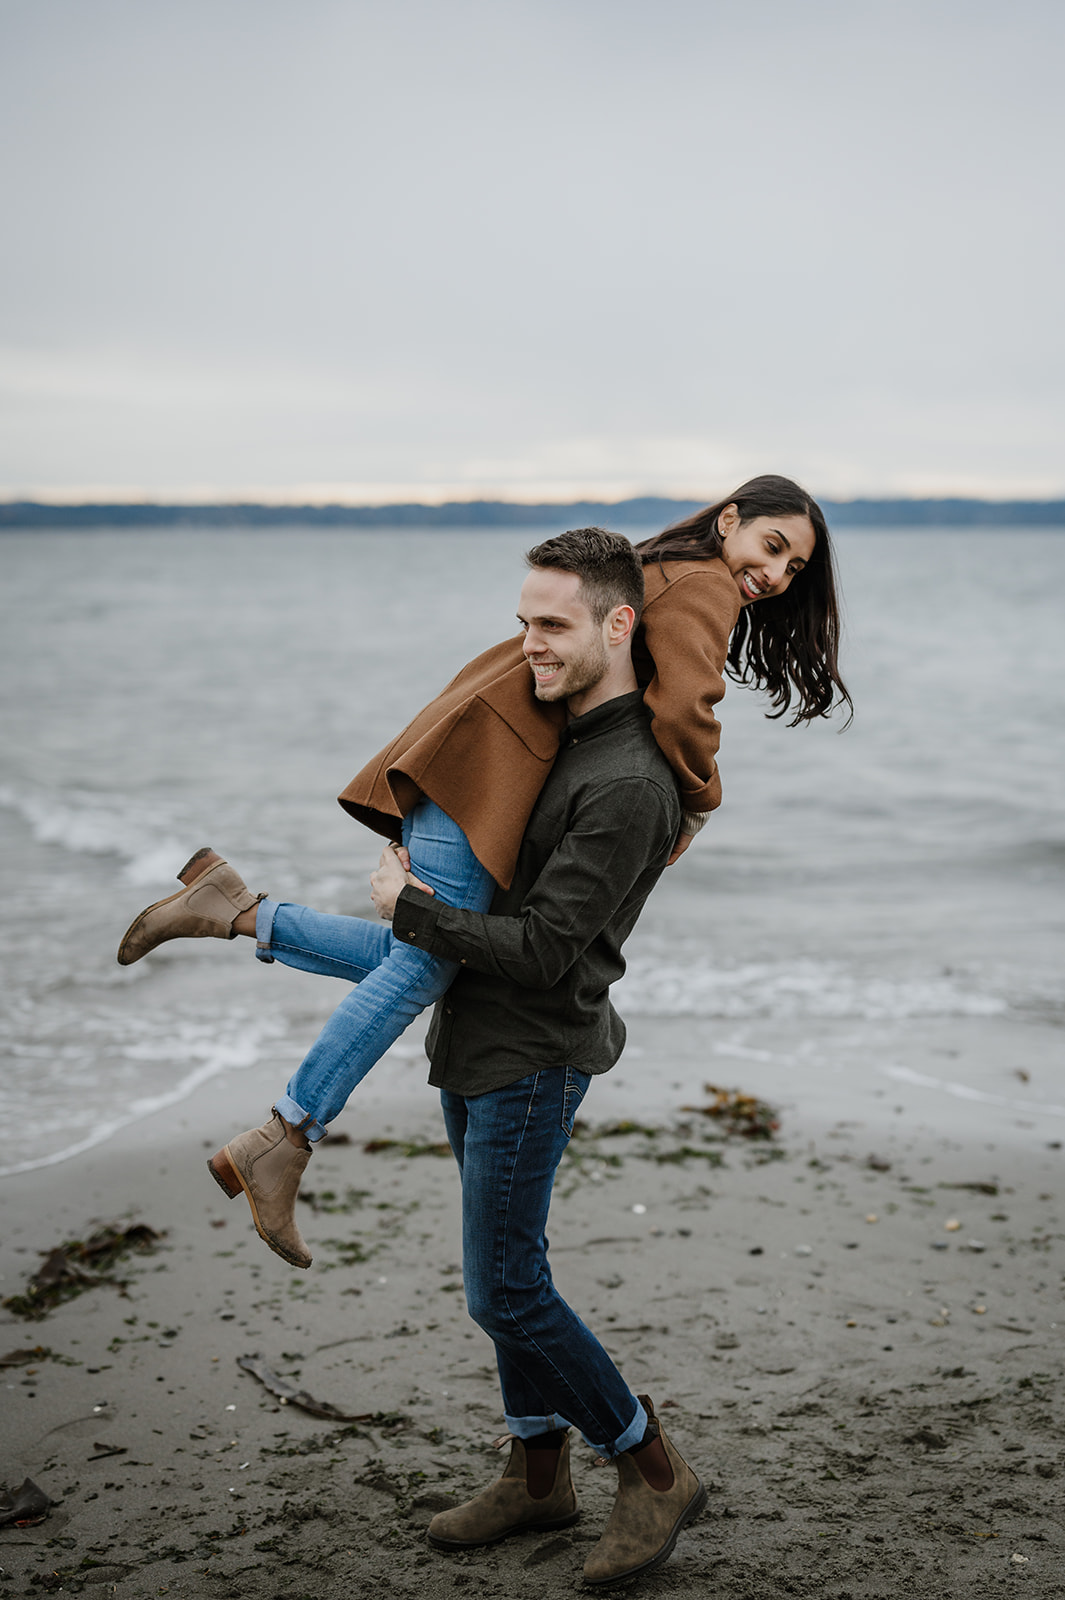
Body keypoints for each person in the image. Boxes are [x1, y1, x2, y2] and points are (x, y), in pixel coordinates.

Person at [116, 475, 849, 1273]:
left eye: (795, 567)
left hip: (482, 755)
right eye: (772, 547)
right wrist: (700, 802)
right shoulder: (707, 582)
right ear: (730, 520)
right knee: (428, 960)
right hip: (488, 765)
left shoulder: (668, 567)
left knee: (430, 958)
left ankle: (239, 912)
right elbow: (684, 707)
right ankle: (288, 1131)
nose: (776, 575)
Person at [363, 527, 699, 1584]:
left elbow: (550, 949)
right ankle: (538, 1472)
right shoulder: (560, 727)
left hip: (535, 1051)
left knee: (506, 1289)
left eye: (550, 625)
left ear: (617, 625)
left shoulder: (631, 780)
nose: (528, 645)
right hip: (476, 1040)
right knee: (513, 1269)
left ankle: (650, 1466)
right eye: (521, 621)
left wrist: (413, 911)